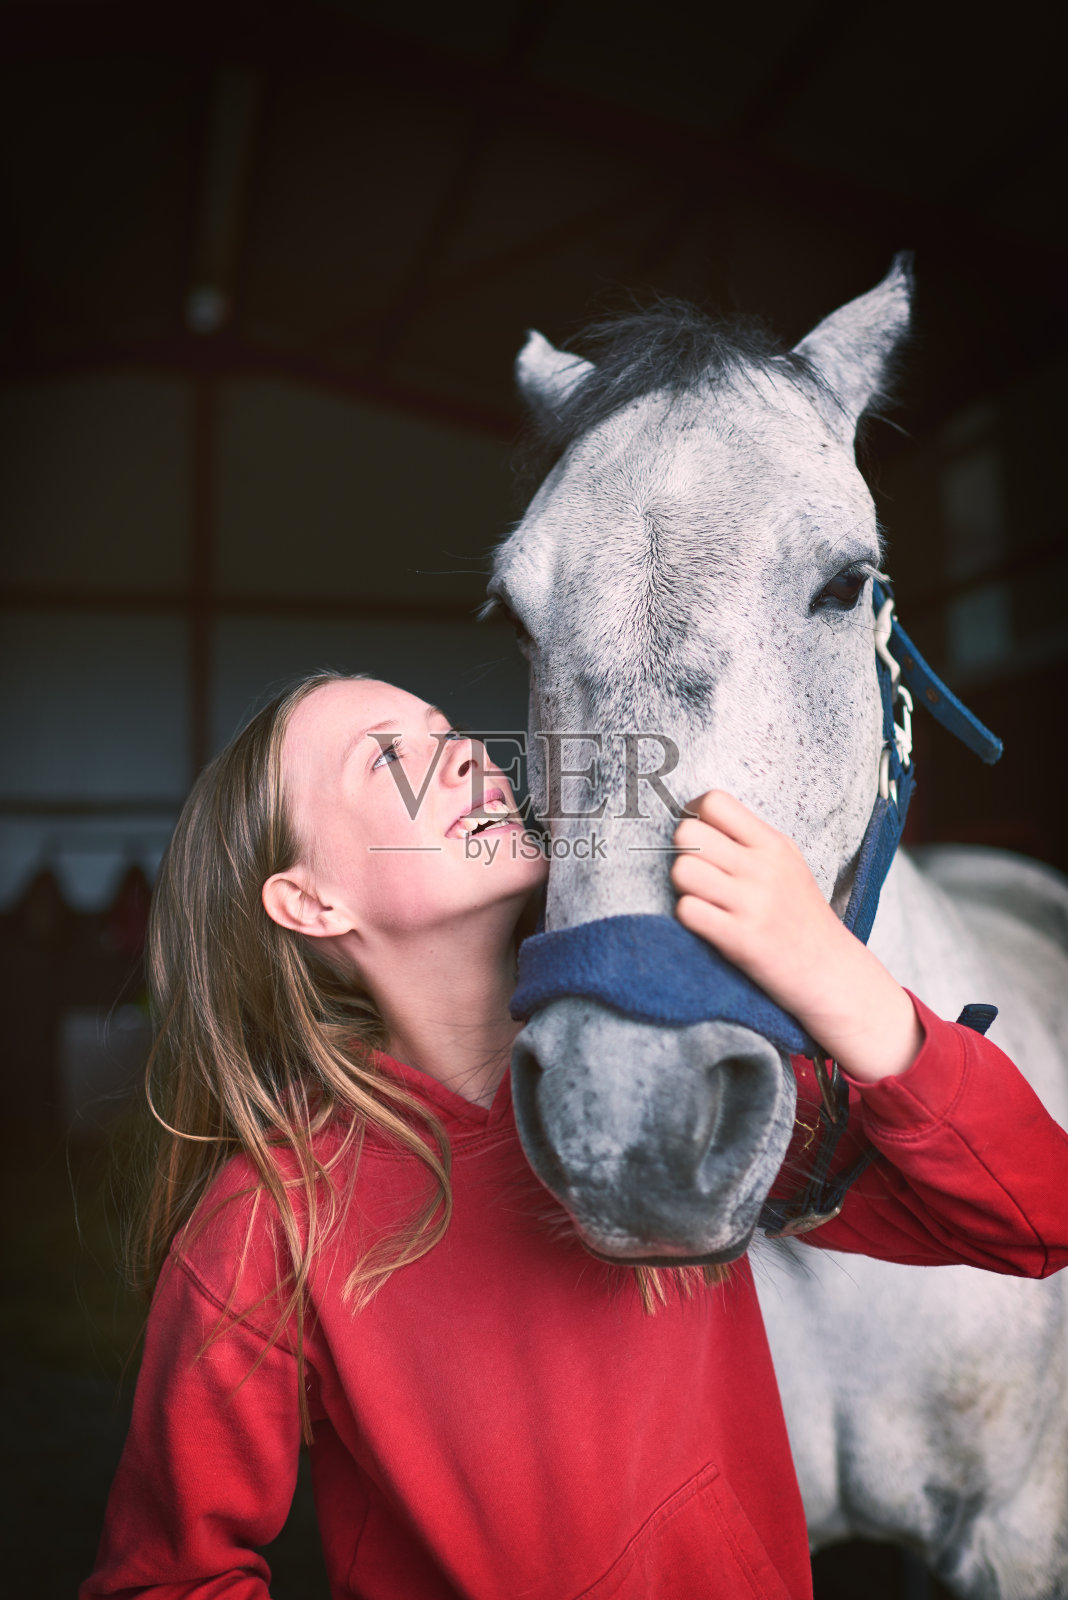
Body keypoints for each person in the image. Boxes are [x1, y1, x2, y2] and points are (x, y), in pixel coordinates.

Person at [82, 671, 1068, 1600]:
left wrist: (843, 986)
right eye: (389, 758)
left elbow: (1035, 1217)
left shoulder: (672, 1085)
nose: (467, 755)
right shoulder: (269, 1221)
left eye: (452, 732)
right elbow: (166, 1573)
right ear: (311, 900)